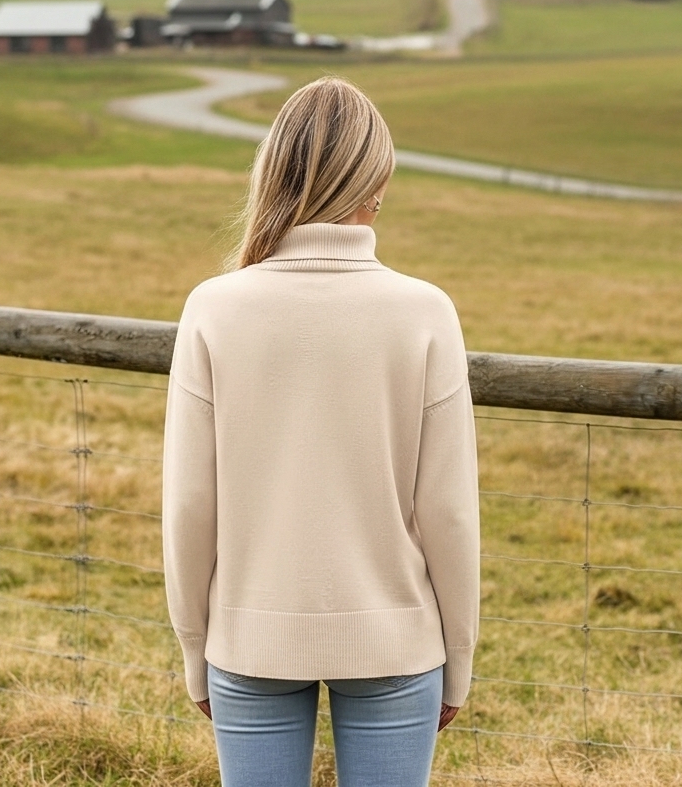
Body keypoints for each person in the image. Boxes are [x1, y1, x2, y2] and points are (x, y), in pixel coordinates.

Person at [163, 76, 480, 787]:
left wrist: (194, 649)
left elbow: (189, 507)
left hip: (248, 641)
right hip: (397, 643)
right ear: (377, 182)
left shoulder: (214, 307)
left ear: (272, 173)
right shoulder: (426, 312)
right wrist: (458, 660)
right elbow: (449, 514)